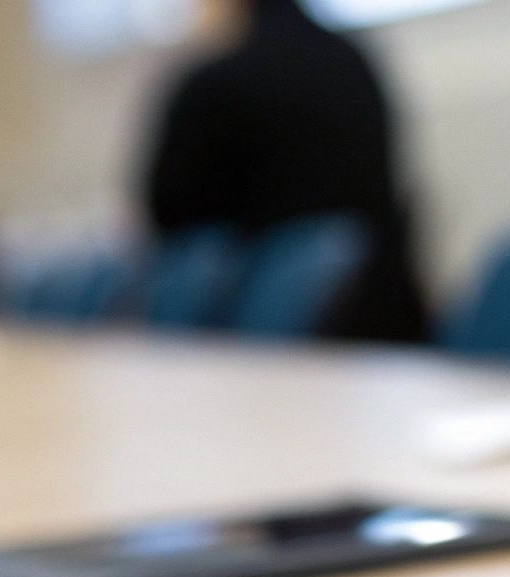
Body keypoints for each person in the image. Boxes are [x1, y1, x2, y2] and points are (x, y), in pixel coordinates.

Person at [140, 0, 427, 341]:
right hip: (386, 315)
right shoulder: (354, 60)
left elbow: (167, 212)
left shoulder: (217, 81)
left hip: (277, 341)